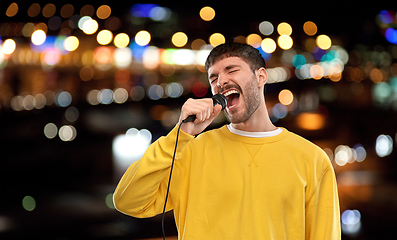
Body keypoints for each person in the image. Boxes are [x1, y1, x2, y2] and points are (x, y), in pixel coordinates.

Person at [113, 42, 341, 240]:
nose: (221, 81)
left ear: (261, 76)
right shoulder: (190, 151)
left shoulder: (312, 159)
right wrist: (180, 136)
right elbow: (127, 201)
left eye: (231, 70)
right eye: (214, 78)